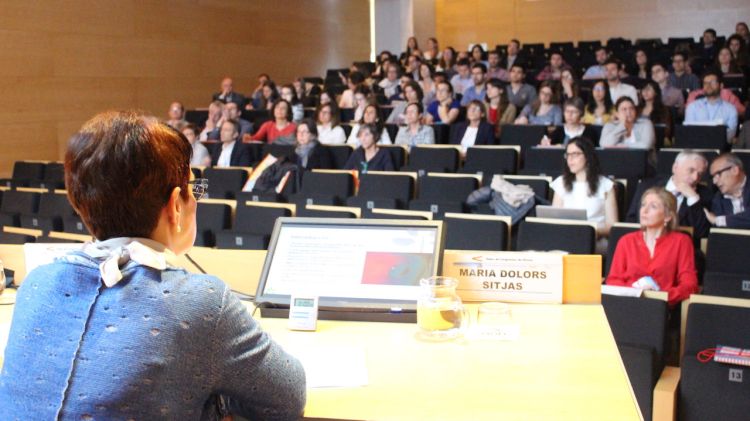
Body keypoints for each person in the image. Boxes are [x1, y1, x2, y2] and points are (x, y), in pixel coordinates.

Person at [0, 111, 306, 419]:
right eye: (193, 188)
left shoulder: (37, 283)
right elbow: (287, 398)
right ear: (176, 204)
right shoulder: (204, 302)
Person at [606, 187, 699, 307]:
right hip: (627, 304)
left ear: (667, 216)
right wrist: (636, 291)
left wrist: (662, 295)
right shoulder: (626, 241)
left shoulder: (682, 242)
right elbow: (613, 280)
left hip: (662, 307)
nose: (644, 211)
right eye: (643, 205)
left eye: (653, 206)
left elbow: (689, 285)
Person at [551, 137, 617, 253]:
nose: (570, 159)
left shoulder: (605, 185)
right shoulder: (561, 183)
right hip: (565, 237)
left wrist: (591, 231)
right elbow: (553, 219)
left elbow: (612, 225)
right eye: (568, 155)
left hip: (595, 239)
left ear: (587, 156)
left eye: (575, 154)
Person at [627, 150, 712, 239]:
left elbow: (702, 234)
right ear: (675, 167)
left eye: (700, 174)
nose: (695, 178)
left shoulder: (704, 195)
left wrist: (693, 198)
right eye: (691, 170)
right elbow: (631, 221)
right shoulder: (647, 186)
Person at [684, 71, 739, 142]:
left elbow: (730, 136)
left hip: (721, 149)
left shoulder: (731, 109)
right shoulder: (692, 107)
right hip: (696, 148)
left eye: (712, 82)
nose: (708, 86)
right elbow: (689, 132)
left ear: (721, 85)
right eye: (705, 83)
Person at [704, 153, 750, 228]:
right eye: (713, 177)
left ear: (735, 170)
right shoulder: (718, 199)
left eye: (718, 174)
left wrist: (718, 220)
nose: (714, 182)